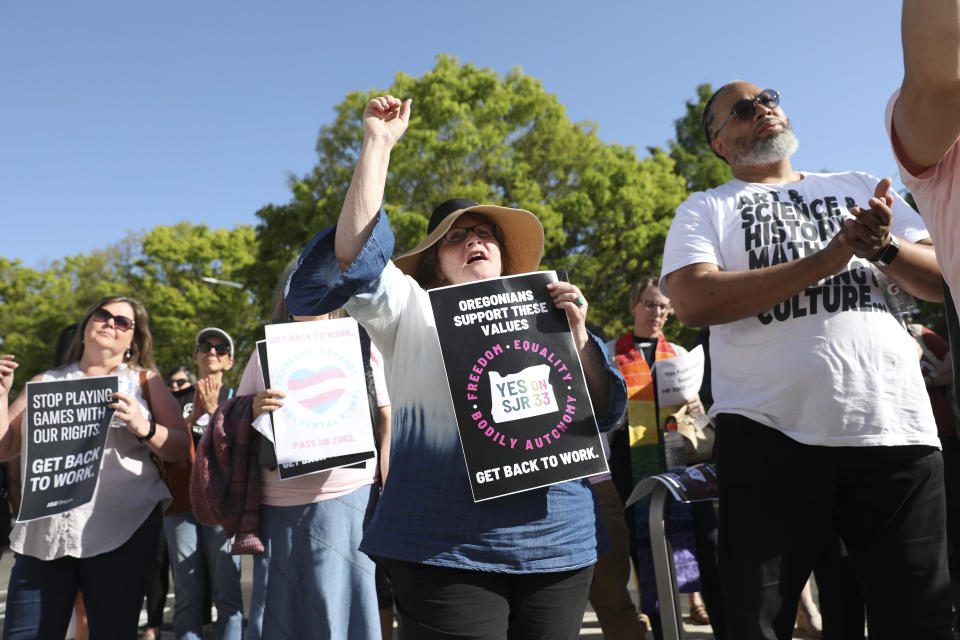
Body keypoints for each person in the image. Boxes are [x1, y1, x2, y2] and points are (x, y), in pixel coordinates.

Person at [283, 95, 627, 639]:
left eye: (484, 234)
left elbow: (602, 414)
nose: (473, 241)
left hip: (557, 536)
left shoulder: (550, 310)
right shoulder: (408, 308)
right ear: (435, 266)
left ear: (504, 256)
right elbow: (354, 256)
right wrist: (377, 143)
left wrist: (580, 338)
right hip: (441, 541)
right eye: (456, 238)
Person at [662, 81, 950, 639]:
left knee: (920, 618)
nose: (763, 109)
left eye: (768, 97)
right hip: (771, 436)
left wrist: (884, 249)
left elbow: (943, 279)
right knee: (758, 622)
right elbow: (696, 299)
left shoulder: (861, 186)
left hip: (894, 434)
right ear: (719, 144)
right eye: (742, 109)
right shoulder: (707, 209)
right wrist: (830, 257)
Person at [0, 296, 191, 638]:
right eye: (103, 315)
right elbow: (5, 448)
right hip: (45, 536)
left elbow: (180, 447)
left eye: (122, 321)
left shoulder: (145, 381)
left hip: (121, 531)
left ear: (133, 340)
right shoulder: (45, 382)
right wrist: (0, 396)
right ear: (87, 324)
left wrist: (143, 426)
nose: (110, 323)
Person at [227, 260, 392, 639]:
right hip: (281, 505)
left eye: (319, 284)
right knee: (286, 614)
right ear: (286, 294)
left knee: (346, 607)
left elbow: (387, 419)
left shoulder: (362, 341)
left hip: (349, 498)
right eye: (299, 285)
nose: (310, 293)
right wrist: (251, 410)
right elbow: (233, 425)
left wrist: (388, 480)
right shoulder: (263, 353)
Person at [164, 329, 243, 640]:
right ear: (195, 356)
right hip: (180, 503)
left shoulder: (238, 399)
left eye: (221, 348)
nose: (212, 351)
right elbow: (165, 449)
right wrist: (192, 415)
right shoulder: (174, 400)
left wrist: (213, 414)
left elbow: (241, 452)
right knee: (186, 594)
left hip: (221, 505)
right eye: (205, 347)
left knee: (227, 592)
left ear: (229, 361)